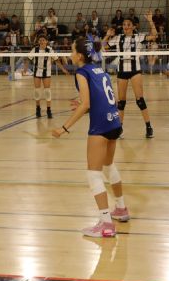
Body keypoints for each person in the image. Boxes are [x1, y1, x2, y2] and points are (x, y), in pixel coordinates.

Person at [51, 36, 128, 237]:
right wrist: (84, 104)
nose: (69, 54)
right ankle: (121, 209)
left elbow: (86, 104)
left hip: (101, 126)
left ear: (79, 55)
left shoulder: (81, 72)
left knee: (93, 174)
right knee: (109, 166)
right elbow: (101, 99)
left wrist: (64, 128)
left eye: (71, 50)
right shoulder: (99, 69)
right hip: (114, 122)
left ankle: (106, 224)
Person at [103, 11, 157, 138]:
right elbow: (103, 47)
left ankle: (149, 127)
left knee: (140, 100)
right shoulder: (117, 38)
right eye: (124, 24)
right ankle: (119, 128)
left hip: (135, 71)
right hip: (122, 71)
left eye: (128, 24)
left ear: (133, 27)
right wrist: (107, 35)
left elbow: (154, 36)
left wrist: (150, 20)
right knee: (121, 102)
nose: (126, 26)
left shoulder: (138, 37)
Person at [26, 34, 69, 118]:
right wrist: (25, 69)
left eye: (43, 40)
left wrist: (63, 69)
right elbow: (27, 59)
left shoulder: (50, 50)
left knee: (47, 91)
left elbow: (57, 61)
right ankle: (38, 109)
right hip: (37, 72)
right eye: (40, 40)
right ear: (38, 41)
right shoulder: (35, 49)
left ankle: (49, 110)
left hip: (47, 72)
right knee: (37, 91)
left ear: (46, 41)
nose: (41, 41)